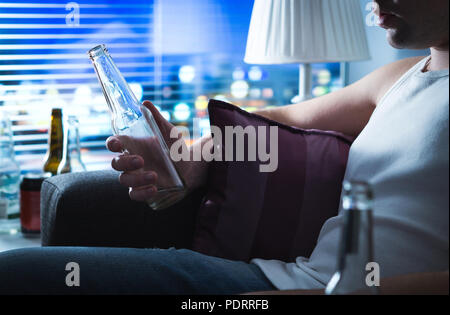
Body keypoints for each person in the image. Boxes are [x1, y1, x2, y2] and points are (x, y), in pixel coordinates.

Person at [0, 0, 448, 294]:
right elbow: (278, 121)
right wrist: (197, 159)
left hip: (291, 292)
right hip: (276, 280)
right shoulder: (400, 77)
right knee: (19, 274)